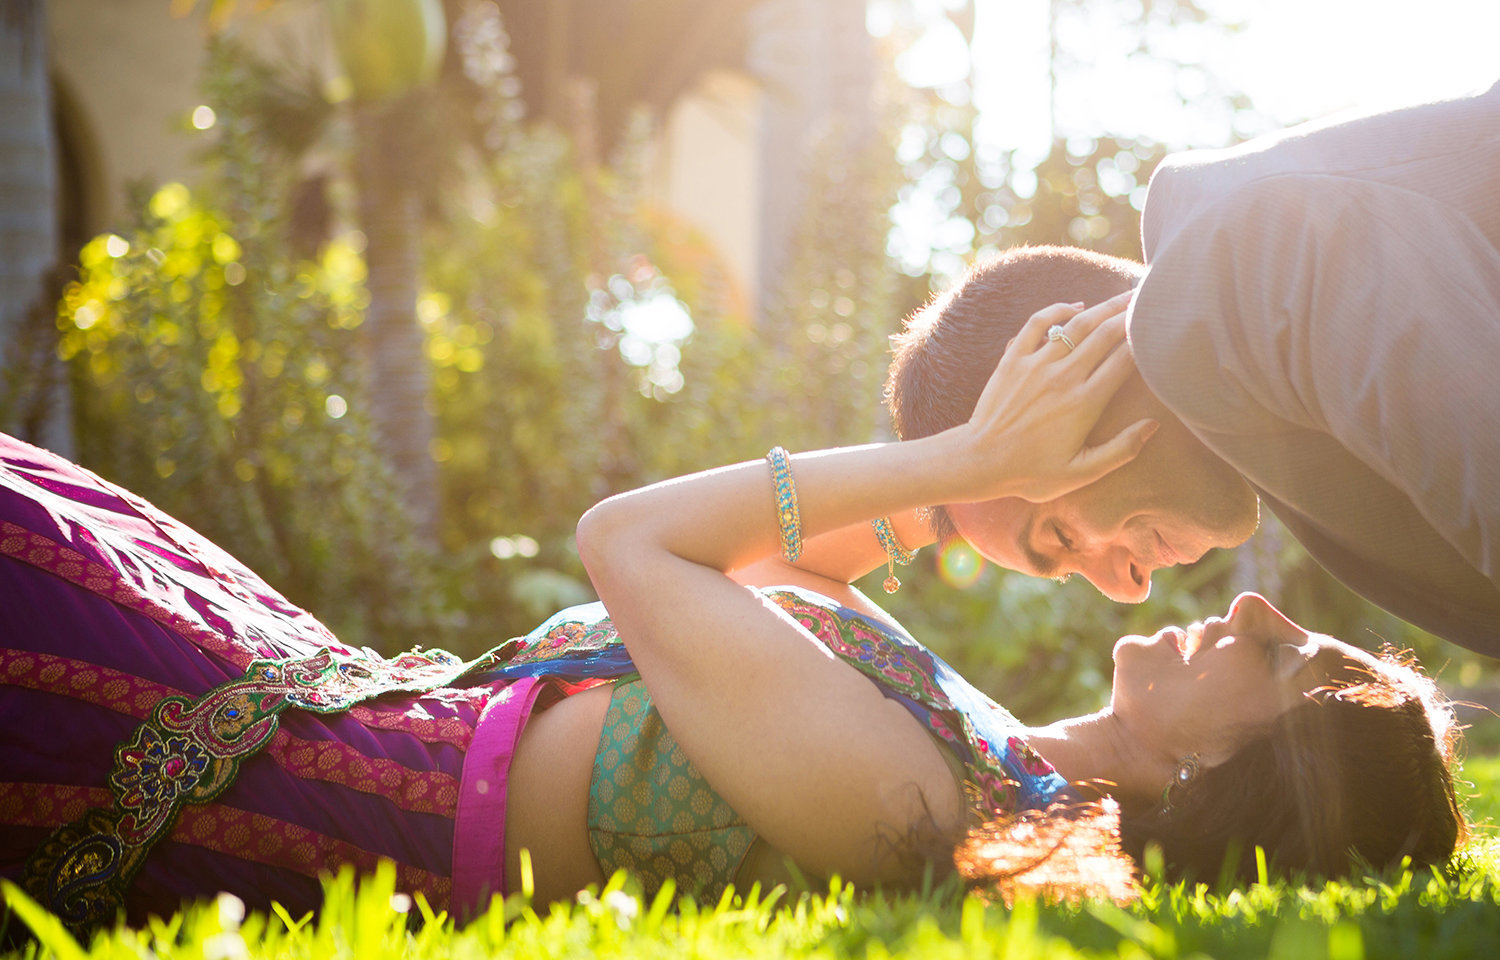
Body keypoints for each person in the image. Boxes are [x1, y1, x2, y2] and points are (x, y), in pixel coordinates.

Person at [0, 306, 1464, 935]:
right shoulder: (979, 746)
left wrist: (965, 465)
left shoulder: (919, 801)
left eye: (1285, 658)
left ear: (1237, 785)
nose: (1256, 606)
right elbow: (796, 578)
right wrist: (985, 493)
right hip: (288, 679)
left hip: (254, 777)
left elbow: (632, 541)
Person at [887, 79, 1500, 656]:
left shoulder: (1246, 268)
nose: (1127, 589)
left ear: (1066, 376)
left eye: (1062, 539)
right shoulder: (1248, 351)